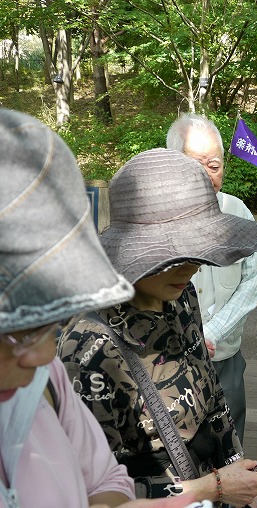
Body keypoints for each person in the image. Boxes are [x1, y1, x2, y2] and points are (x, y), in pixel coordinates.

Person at [58, 148, 257, 506]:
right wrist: (212, 488)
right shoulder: (89, 348)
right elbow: (93, 495)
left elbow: (213, 402)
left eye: (198, 251)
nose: (190, 267)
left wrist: (244, 486)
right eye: (172, 258)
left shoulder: (180, 296)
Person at [0, 108, 198, 508]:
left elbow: (107, 477)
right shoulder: (85, 350)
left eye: (50, 323)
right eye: (16, 330)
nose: (43, 354)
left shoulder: (46, 379)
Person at [167, 113, 257, 443]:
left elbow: (252, 278)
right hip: (168, 362)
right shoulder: (155, 217)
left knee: (230, 438)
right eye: (197, 164)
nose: (208, 174)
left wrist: (215, 331)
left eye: (215, 164)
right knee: (178, 445)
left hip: (225, 355)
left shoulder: (237, 212)